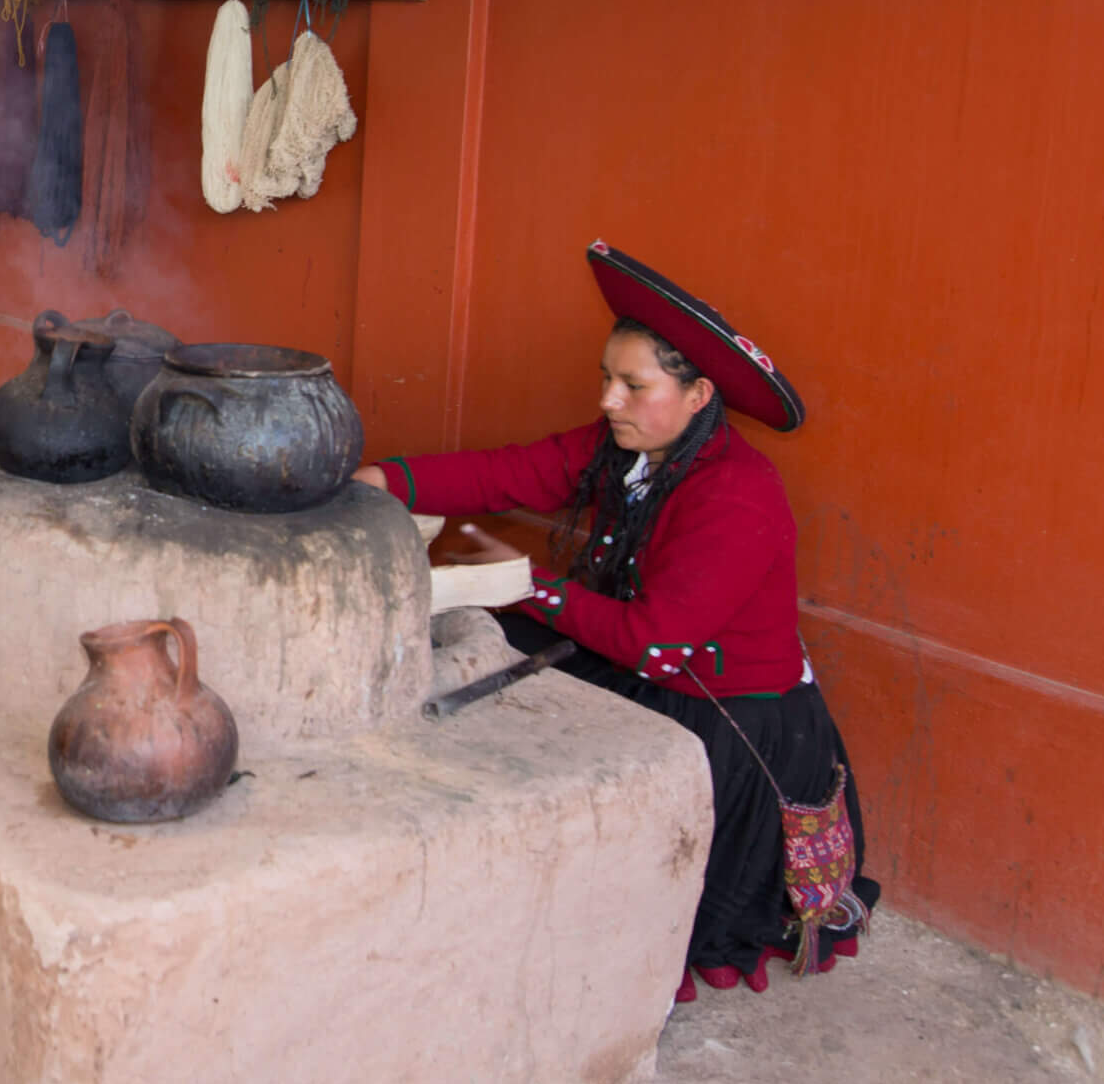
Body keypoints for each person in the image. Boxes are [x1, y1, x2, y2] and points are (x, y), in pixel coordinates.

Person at [357, 241, 875, 1002]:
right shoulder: (623, 450)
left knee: (519, 652)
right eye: (608, 379)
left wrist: (524, 583)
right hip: (658, 668)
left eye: (634, 385)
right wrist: (384, 479)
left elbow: (656, 645)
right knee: (495, 652)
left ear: (698, 395)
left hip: (730, 723)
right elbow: (507, 472)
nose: (609, 400)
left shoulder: (738, 494)